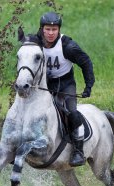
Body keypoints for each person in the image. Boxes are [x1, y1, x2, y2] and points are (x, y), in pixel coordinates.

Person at [36, 12, 95, 167]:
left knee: (72, 112)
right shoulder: (35, 42)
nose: (50, 33)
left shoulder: (67, 46)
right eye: (47, 29)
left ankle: (78, 150)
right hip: (44, 85)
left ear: (58, 30)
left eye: (54, 29)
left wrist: (89, 85)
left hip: (65, 85)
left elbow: (86, 62)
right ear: (42, 29)